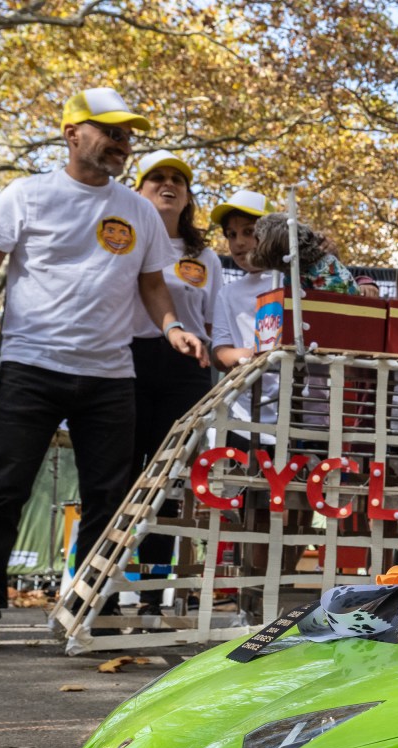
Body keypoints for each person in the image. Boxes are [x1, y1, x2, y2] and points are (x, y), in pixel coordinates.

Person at [0, 87, 207, 654]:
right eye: (109, 131)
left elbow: (152, 284)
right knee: (2, 493)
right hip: (30, 365)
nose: (121, 143)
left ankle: (90, 613)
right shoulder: (26, 195)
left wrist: (171, 328)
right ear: (72, 135)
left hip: (111, 376)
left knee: (109, 499)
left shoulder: (137, 210)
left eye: (126, 135)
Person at [130, 151, 222, 616]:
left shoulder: (203, 257)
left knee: (167, 483)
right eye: (157, 178)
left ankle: (150, 598)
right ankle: (97, 592)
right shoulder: (121, 241)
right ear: (138, 189)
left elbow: (216, 324)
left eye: (178, 181)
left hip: (187, 368)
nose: (168, 186)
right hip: (126, 362)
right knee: (119, 480)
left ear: (187, 198)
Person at [209, 188, 278, 447]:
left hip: (295, 414)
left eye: (249, 232)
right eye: (231, 234)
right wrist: (245, 355)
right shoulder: (227, 294)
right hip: (242, 417)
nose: (238, 242)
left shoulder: (294, 281)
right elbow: (220, 351)